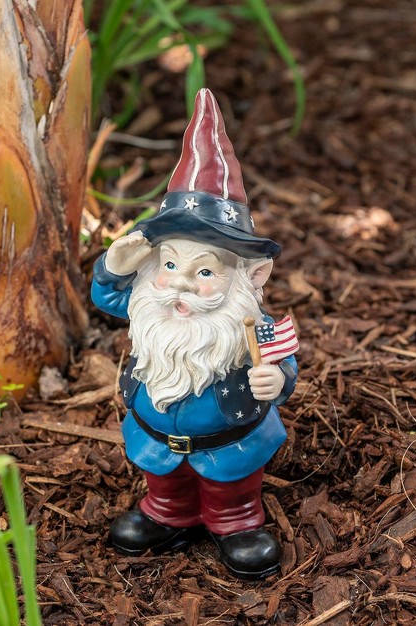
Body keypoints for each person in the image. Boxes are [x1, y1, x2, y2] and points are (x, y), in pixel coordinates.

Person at [91, 89, 298, 579]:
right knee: (165, 482)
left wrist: (278, 382)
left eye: (205, 272)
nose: (180, 282)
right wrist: (112, 266)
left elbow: (279, 362)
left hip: (231, 443)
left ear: (251, 278)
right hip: (155, 437)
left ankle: (236, 521)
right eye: (168, 264)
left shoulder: (248, 324)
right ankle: (169, 513)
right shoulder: (151, 305)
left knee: (232, 486)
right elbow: (110, 298)